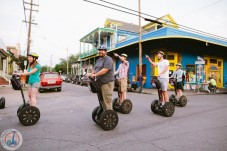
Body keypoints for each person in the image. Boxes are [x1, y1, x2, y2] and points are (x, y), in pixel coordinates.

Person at [91, 45, 114, 111]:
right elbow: (96, 69)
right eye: (99, 50)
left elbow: (105, 69)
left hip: (107, 83)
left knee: (107, 100)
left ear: (105, 51)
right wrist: (92, 73)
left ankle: (109, 115)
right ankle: (104, 112)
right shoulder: (98, 60)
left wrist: (95, 75)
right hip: (100, 83)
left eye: (102, 50)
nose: (100, 51)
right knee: (101, 99)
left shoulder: (108, 59)